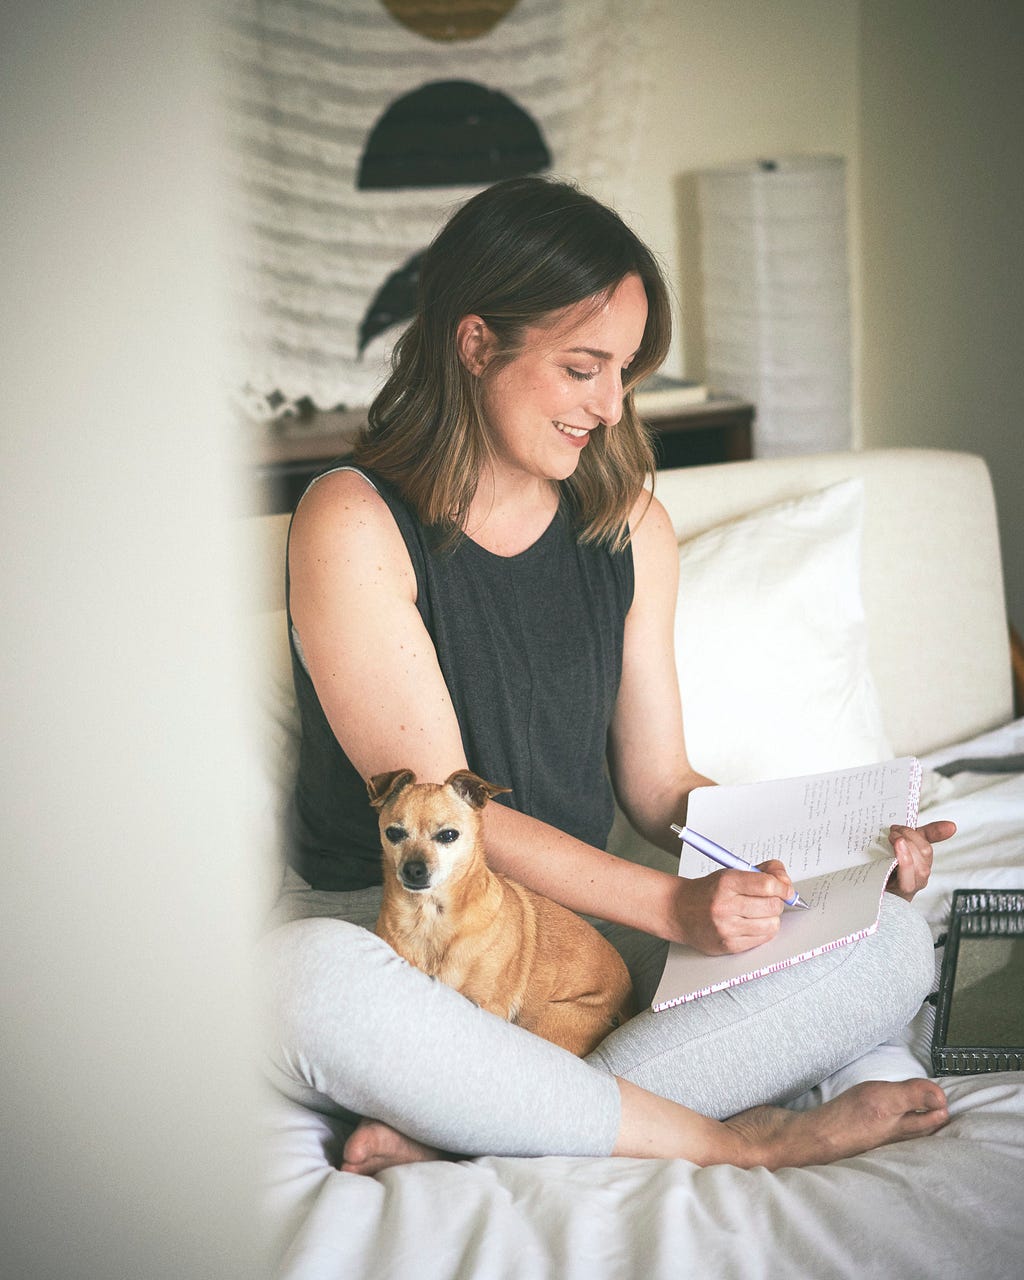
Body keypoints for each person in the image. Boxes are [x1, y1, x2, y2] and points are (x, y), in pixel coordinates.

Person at [261, 175, 954, 1176]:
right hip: (394, 933)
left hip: (566, 946)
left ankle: (474, 1117)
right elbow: (461, 820)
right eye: (583, 366)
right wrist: (671, 907)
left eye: (623, 370)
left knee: (890, 945)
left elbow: (661, 785)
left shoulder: (628, 527)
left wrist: (831, 858)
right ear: (475, 345)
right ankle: (729, 1138)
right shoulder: (352, 518)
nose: (611, 403)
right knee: (301, 983)